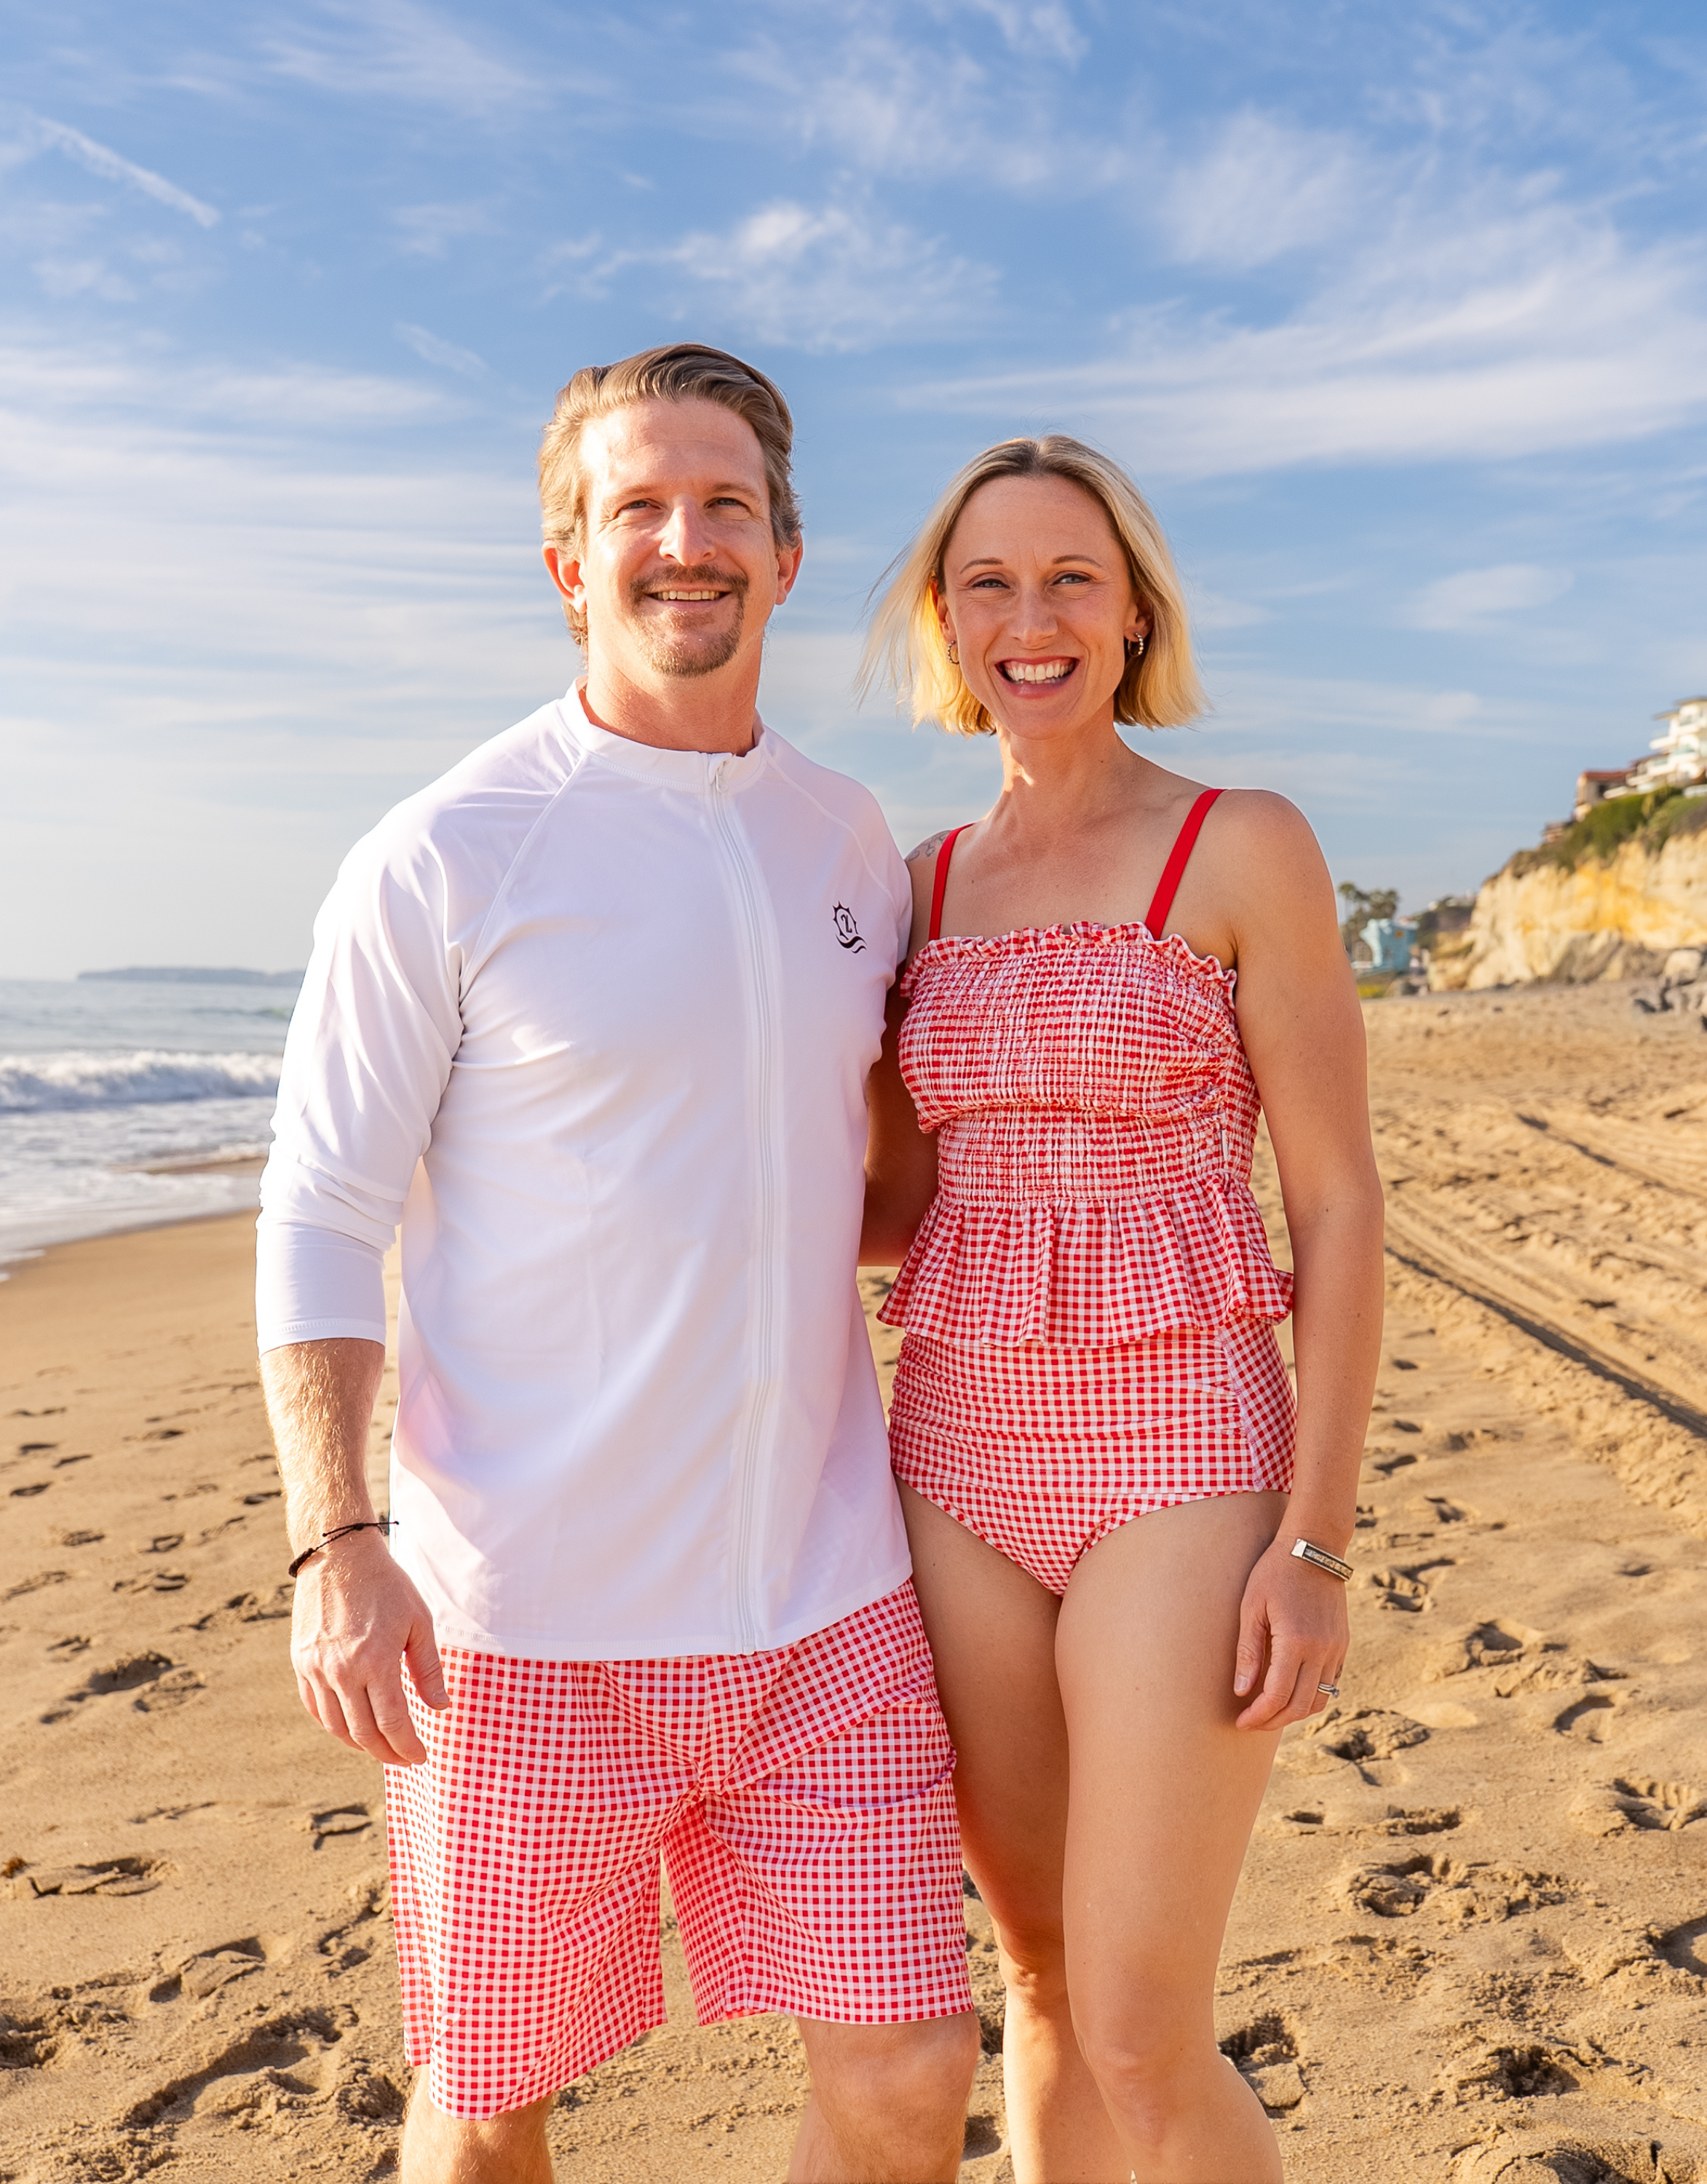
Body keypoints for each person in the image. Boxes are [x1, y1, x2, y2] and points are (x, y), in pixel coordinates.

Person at [256, 344, 983, 2184]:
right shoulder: (445, 853)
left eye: (725, 504)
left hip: (827, 1605)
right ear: (569, 560)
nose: (687, 542)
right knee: (493, 2106)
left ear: (788, 553)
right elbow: (323, 1211)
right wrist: (339, 1546)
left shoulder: (848, 843)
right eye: (636, 508)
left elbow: (864, 1177)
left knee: (907, 2071)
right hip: (523, 1627)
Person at [858, 435, 1384, 2184]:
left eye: (1071, 577)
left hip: (1184, 1455)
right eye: (989, 583)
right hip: (952, 1456)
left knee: (1152, 2025)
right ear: (945, 622)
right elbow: (895, 1207)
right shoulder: (917, 887)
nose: (1033, 617)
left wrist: (1314, 1547)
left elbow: (1337, 1203)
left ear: (1135, 607)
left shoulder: (1241, 846)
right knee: (1041, 1973)